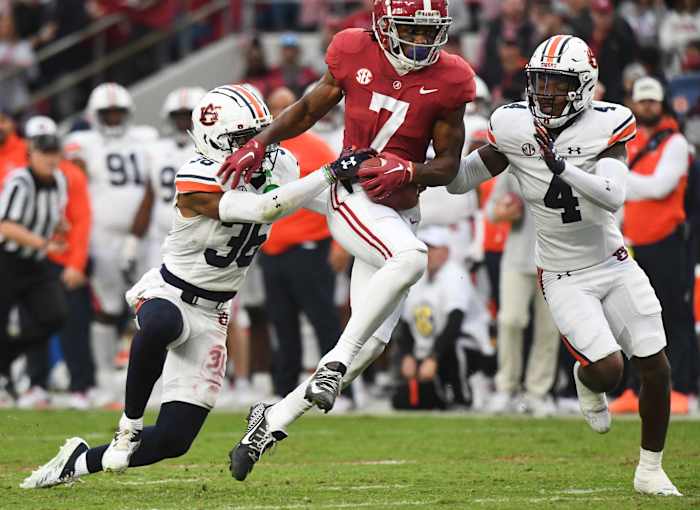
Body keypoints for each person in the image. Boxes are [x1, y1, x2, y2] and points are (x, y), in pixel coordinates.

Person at [19, 84, 369, 489]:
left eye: (261, 132)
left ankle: (78, 462)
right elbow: (262, 208)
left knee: (174, 440)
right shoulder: (198, 173)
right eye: (244, 139)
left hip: (214, 312)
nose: (258, 145)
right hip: (169, 290)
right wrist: (327, 173)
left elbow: (323, 204)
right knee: (161, 324)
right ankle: (128, 425)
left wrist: (363, 203)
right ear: (217, 141)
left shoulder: (281, 163)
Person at [221, 0, 475, 481]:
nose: (420, 42)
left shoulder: (452, 77)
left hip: (400, 210)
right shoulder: (353, 49)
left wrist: (411, 168)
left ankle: (269, 422)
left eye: (428, 32)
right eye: (409, 30)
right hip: (352, 194)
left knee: (372, 347)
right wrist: (262, 141)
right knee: (412, 259)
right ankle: (333, 362)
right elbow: (310, 107)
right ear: (382, 24)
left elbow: (448, 163)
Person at [445, 34, 681, 496]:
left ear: (586, 85)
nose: (547, 92)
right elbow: (460, 182)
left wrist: (562, 167)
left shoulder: (609, 123)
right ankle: (584, 376)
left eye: (558, 82)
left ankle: (650, 468)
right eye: (541, 81)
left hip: (613, 262)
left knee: (656, 363)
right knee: (609, 370)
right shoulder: (514, 126)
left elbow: (613, 196)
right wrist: (433, 152)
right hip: (561, 273)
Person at [63, 82, 158, 403]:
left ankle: (151, 379)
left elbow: (151, 186)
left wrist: (136, 235)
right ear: (94, 114)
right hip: (101, 236)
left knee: (152, 305)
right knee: (107, 307)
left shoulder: (145, 139)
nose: (114, 118)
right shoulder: (82, 142)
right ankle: (103, 376)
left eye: (119, 112)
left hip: (144, 236)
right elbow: (73, 181)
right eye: (108, 113)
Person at [612, 77, 696, 415]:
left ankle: (681, 388)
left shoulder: (675, 142)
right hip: (635, 241)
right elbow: (618, 194)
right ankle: (636, 389)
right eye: (642, 100)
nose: (647, 106)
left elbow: (660, 187)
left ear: (660, 104)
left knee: (675, 315)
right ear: (633, 103)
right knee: (636, 317)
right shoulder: (627, 141)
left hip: (667, 242)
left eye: (652, 101)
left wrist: (618, 182)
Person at [15, 116, 93, 410]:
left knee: (74, 322)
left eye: (50, 147)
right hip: (31, 259)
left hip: (62, 259)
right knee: (31, 322)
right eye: (40, 147)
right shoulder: (20, 177)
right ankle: (36, 384)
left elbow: (82, 221)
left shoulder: (71, 175)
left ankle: (81, 386)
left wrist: (76, 263)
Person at [0, 116, 68, 405]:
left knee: (55, 315)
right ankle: (4, 378)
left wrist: (59, 228)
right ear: (32, 154)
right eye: (45, 153)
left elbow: (55, 217)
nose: (51, 159)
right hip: (7, 260)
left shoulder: (60, 181)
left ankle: (7, 357)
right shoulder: (20, 180)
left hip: (35, 263)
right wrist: (44, 242)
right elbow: (6, 226)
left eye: (55, 153)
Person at [485, 171, 560, 416]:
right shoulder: (514, 166)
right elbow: (490, 211)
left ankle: (538, 393)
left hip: (556, 261)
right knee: (511, 321)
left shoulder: (569, 161)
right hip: (517, 257)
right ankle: (506, 388)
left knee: (548, 329)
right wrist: (502, 212)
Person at [393, 226, 490, 410]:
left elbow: (455, 322)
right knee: (403, 401)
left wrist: (432, 357)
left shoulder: (455, 274)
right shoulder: (418, 276)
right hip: (432, 347)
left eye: (433, 248)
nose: (428, 253)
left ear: (446, 251)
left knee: (455, 348)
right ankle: (443, 396)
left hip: (466, 344)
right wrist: (407, 355)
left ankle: (466, 395)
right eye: (425, 248)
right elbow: (405, 321)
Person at [124, 86, 207, 274]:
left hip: (203, 239)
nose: (183, 122)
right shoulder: (156, 150)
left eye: (189, 116)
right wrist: (132, 243)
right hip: (163, 240)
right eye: (178, 116)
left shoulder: (213, 151)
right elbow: (149, 198)